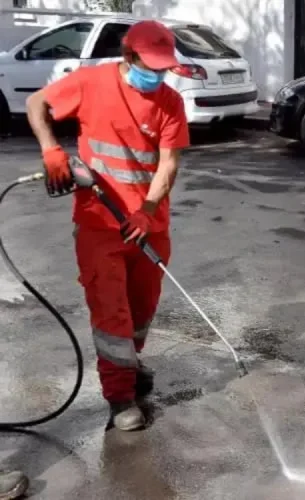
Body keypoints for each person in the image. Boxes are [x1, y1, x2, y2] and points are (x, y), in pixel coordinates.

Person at [25, 20, 190, 431]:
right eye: (150, 66)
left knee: (141, 311)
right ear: (128, 56)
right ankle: (119, 397)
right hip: (100, 224)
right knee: (112, 313)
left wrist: (147, 209)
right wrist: (51, 151)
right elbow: (36, 105)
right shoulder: (91, 83)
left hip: (149, 225)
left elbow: (168, 163)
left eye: (163, 68)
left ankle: (130, 365)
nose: (157, 75)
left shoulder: (169, 102)